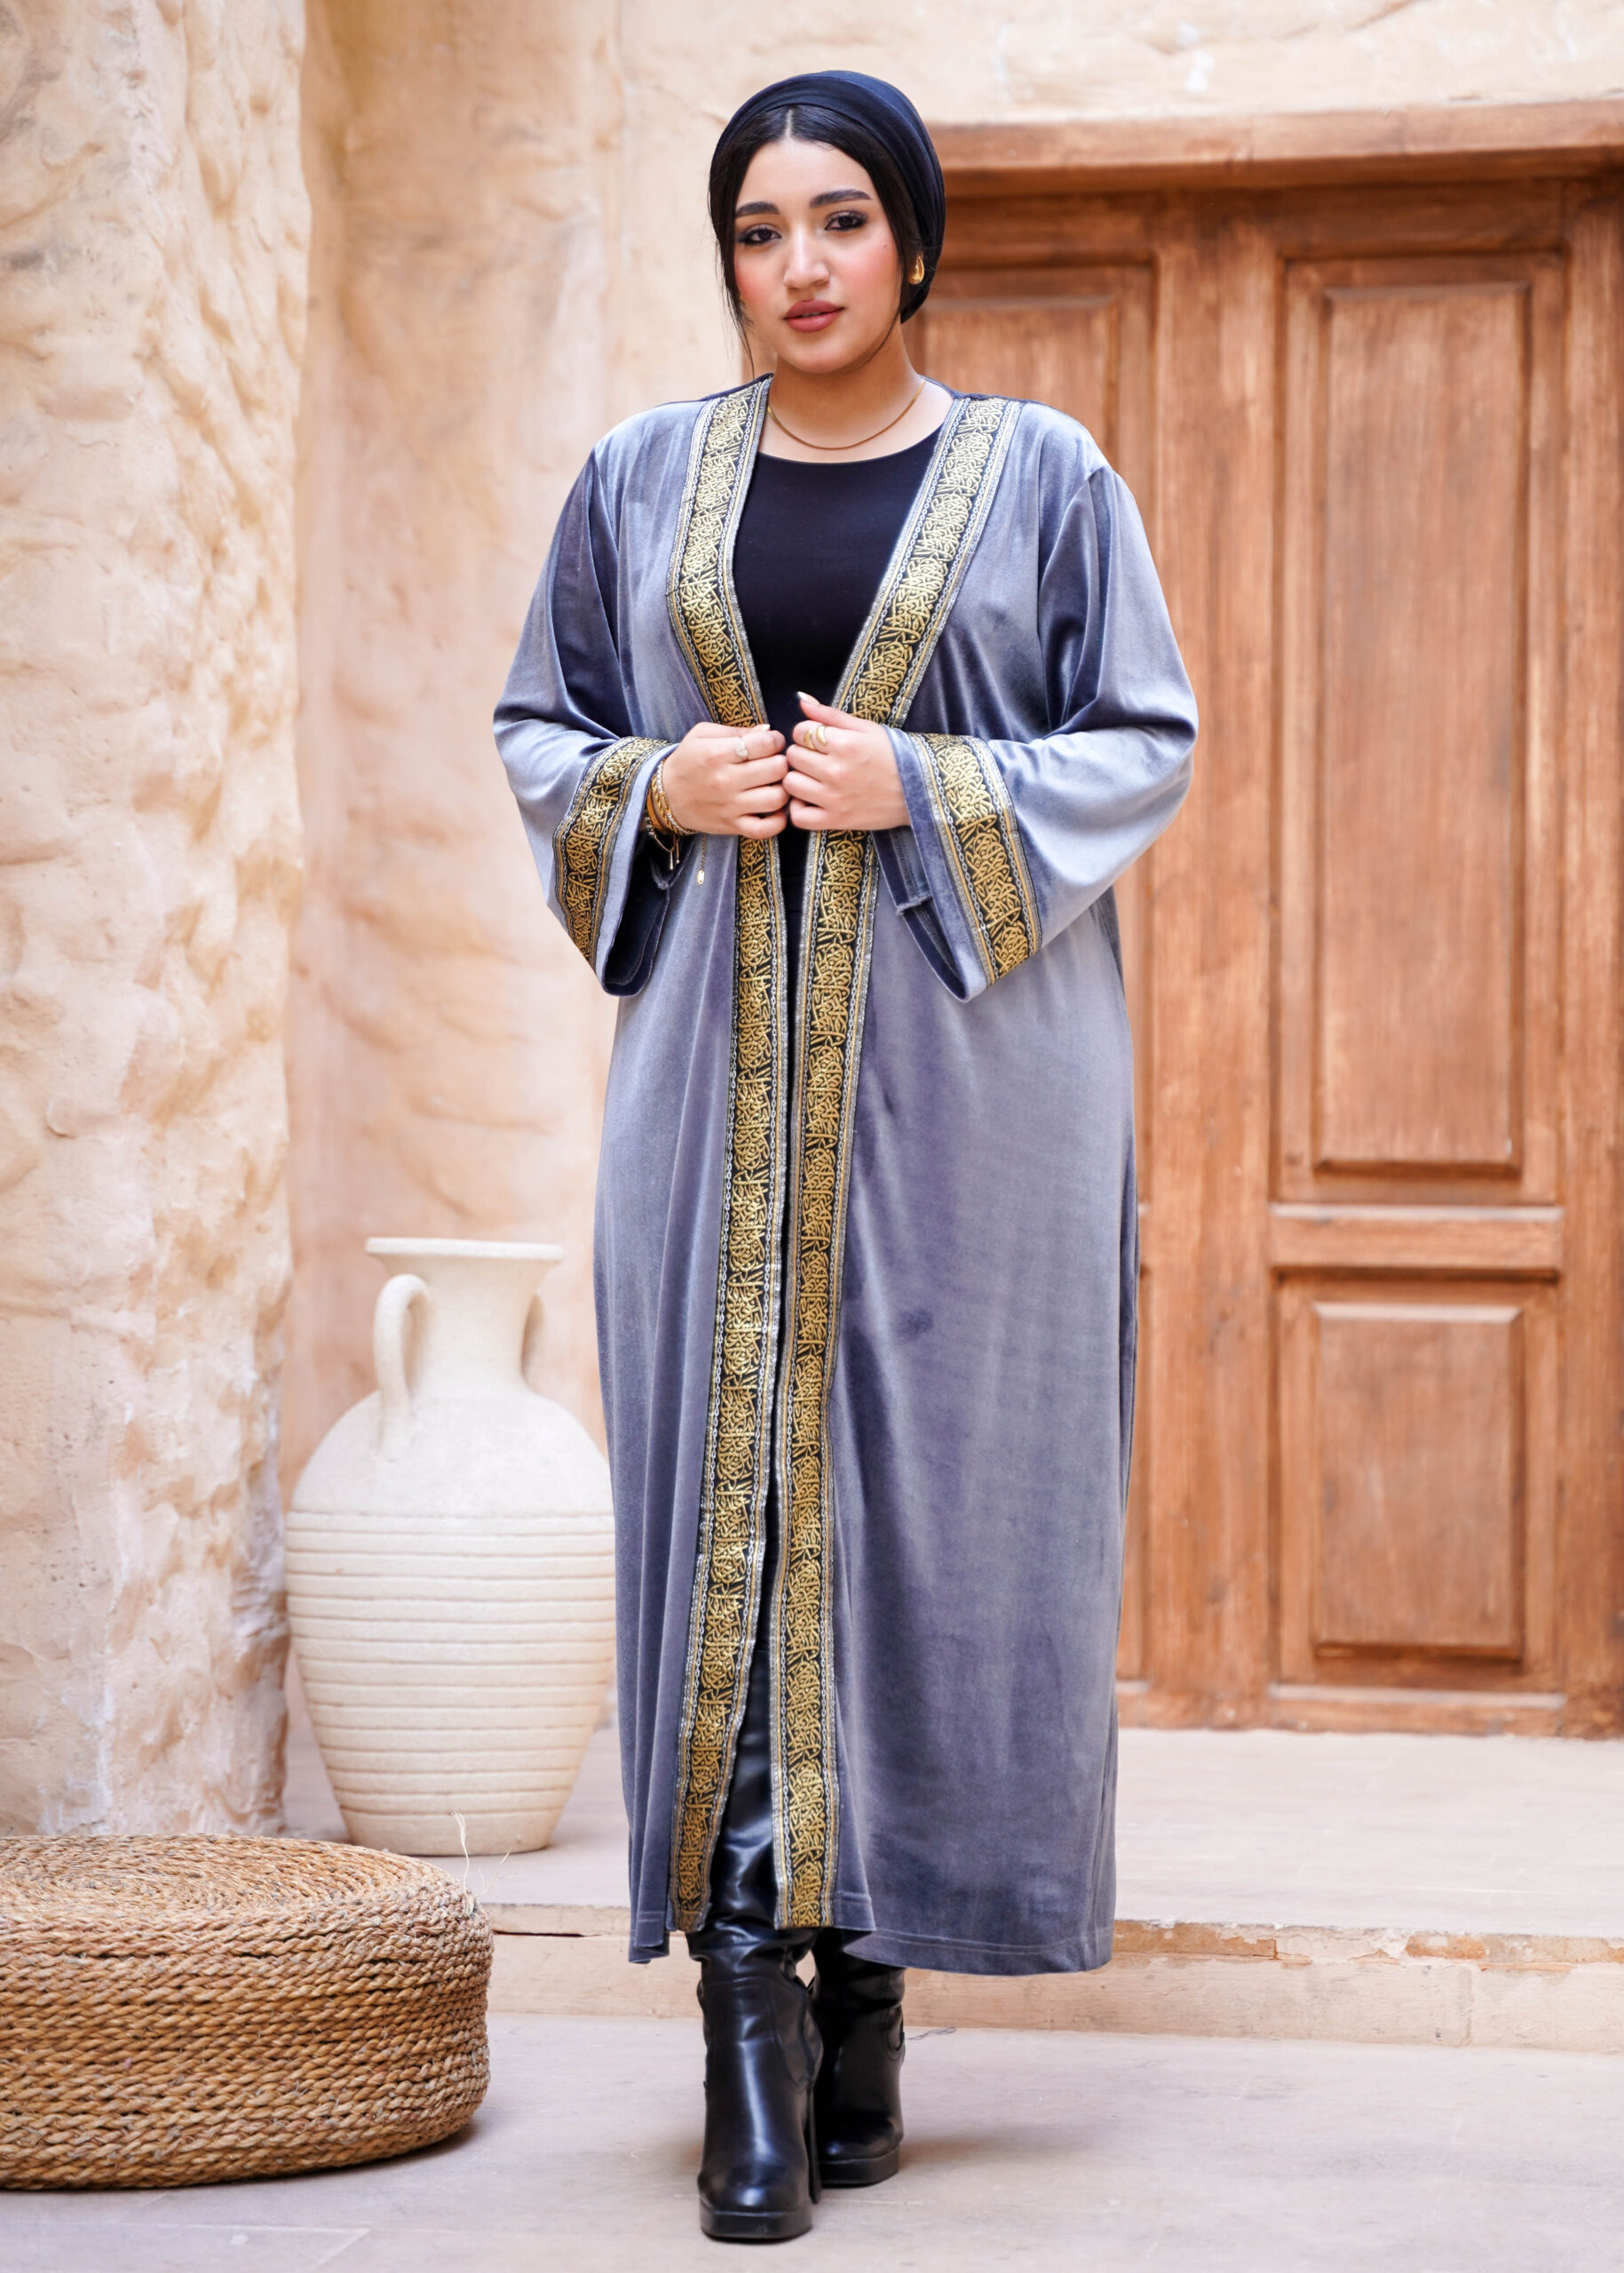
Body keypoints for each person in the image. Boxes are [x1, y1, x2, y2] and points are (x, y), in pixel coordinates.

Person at [495, 68, 1196, 2245]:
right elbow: (542, 726)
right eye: (757, 227)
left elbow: (1142, 736)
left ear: (915, 242)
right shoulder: (636, 480)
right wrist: (658, 788)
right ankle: (748, 2003)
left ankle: (871, 1980)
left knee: (939, 1507)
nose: (797, 266)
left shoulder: (1046, 475)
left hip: (976, 1085)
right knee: (734, 1489)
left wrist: (931, 781)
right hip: (711, 1085)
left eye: (840, 219)